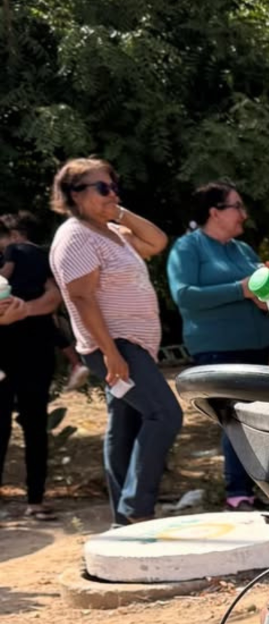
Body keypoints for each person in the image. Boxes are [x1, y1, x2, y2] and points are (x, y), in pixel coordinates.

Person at [47, 158, 182, 526]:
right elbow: (82, 298)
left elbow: (156, 241)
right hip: (115, 346)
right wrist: (110, 353)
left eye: (114, 186)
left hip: (130, 345)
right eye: (103, 188)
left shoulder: (110, 231)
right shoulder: (76, 236)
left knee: (125, 426)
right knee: (165, 414)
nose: (112, 193)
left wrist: (117, 212)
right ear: (75, 195)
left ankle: (123, 521)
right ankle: (137, 508)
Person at [167, 181, 269, 511]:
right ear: (214, 212)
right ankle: (237, 494)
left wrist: (267, 293)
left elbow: (260, 294)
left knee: (256, 420)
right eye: (237, 206)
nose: (244, 214)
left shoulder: (243, 250)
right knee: (236, 420)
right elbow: (184, 295)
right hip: (218, 351)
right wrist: (240, 290)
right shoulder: (188, 248)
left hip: (257, 349)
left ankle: (255, 490)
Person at [0, 212, 67, 521]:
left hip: (26, 352)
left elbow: (54, 297)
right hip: (34, 351)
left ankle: (35, 498)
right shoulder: (40, 257)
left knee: (28, 427)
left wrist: (20, 311)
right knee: (34, 427)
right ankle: (35, 500)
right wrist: (27, 310)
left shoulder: (20, 256)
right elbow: (52, 297)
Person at [0, 212, 90, 391]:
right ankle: (76, 363)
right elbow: (54, 283)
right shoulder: (44, 252)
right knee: (53, 331)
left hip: (17, 298)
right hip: (40, 302)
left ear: (14, 235)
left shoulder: (13, 250)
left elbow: (7, 272)